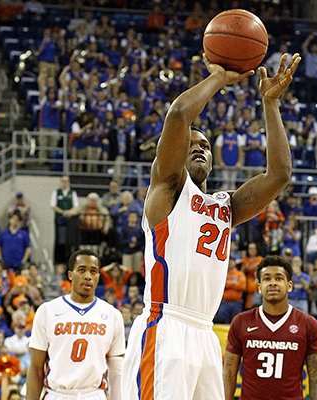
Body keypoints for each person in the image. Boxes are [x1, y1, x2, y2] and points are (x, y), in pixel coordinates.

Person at [122, 53, 301, 399]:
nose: (200, 149)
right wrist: (220, 77)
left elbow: (279, 175)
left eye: (205, 146)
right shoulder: (169, 188)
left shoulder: (226, 206)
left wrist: (271, 104)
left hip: (205, 332)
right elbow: (177, 116)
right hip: (165, 325)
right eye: (191, 145)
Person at [27, 249, 125, 400]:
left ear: (98, 277)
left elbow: (117, 372)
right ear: (70, 275)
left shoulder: (113, 315)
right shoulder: (47, 311)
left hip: (94, 395)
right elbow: (36, 368)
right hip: (57, 394)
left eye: (93, 271)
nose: (88, 276)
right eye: (82, 270)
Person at [223, 256, 317, 400]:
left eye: (278, 278)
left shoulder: (308, 324)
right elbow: (229, 373)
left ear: (289, 285)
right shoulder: (241, 322)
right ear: (259, 287)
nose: (272, 283)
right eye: (266, 279)